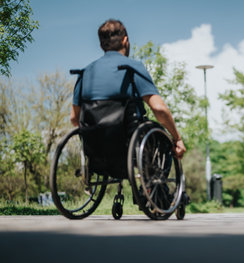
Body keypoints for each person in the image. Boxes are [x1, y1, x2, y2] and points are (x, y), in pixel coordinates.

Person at [70, 19, 186, 159]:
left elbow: (74, 118)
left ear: (102, 45)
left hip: (96, 146)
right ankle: (156, 180)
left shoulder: (85, 73)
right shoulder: (132, 67)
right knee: (159, 133)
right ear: (125, 41)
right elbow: (159, 109)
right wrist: (177, 138)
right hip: (129, 140)